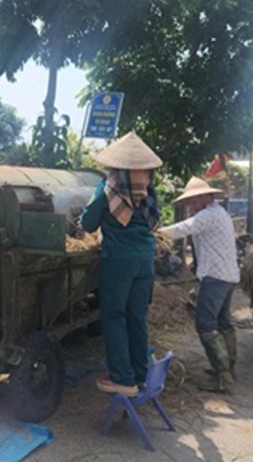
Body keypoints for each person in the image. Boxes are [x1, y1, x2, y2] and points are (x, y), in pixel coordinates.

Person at [79, 132, 162, 397]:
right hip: (145, 260)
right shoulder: (148, 191)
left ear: (116, 167)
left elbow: (87, 224)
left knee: (114, 317)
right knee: (136, 317)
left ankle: (123, 379)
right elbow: (153, 222)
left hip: (119, 261)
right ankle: (139, 374)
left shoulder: (108, 189)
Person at [158, 177, 239, 393]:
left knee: (205, 323)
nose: (190, 206)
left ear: (204, 197)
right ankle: (228, 368)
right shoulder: (219, 213)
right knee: (223, 323)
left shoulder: (208, 215)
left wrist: (155, 234)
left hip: (215, 276)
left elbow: (182, 228)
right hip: (227, 275)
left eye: (193, 201)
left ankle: (223, 378)